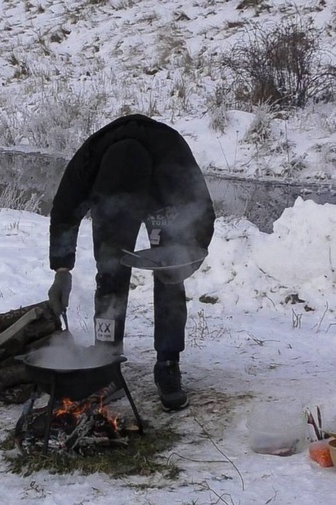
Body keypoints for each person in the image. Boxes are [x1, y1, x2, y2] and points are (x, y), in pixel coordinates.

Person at [47, 114, 216, 412]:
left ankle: (168, 363)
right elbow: (64, 212)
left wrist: (193, 253)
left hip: (162, 203)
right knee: (109, 272)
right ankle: (106, 359)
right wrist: (62, 269)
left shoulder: (173, 160)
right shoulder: (89, 161)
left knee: (170, 276)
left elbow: (202, 210)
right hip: (110, 208)